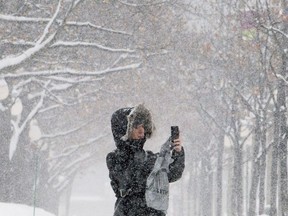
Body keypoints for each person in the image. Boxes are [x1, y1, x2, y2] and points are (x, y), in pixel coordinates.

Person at [106, 104, 185, 216]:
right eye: (136, 126)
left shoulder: (150, 158)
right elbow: (129, 176)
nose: (142, 131)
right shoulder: (115, 158)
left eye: (143, 126)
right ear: (125, 129)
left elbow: (173, 174)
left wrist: (177, 153)